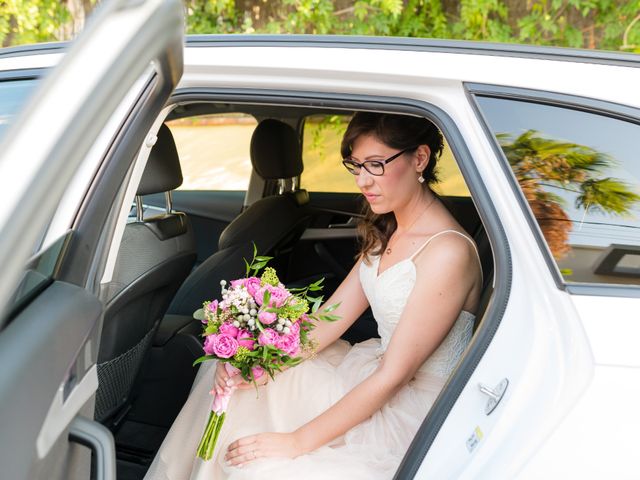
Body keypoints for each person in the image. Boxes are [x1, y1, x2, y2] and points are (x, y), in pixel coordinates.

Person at [144, 112, 483, 480]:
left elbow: (394, 376)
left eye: (375, 165)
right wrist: (258, 361)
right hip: (373, 373)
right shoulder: (388, 230)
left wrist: (296, 441)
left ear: (419, 158)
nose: (363, 181)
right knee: (237, 382)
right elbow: (329, 320)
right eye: (355, 166)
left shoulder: (447, 252)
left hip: (413, 408)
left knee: (271, 467)